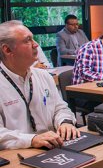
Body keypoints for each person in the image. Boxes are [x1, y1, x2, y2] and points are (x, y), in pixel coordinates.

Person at [0, 20, 79, 150]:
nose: (36, 45)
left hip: (52, 147)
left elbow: (60, 108)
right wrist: (32, 139)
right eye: (27, 40)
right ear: (7, 50)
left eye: (33, 39)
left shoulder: (43, 76)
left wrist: (65, 122)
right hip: (17, 154)